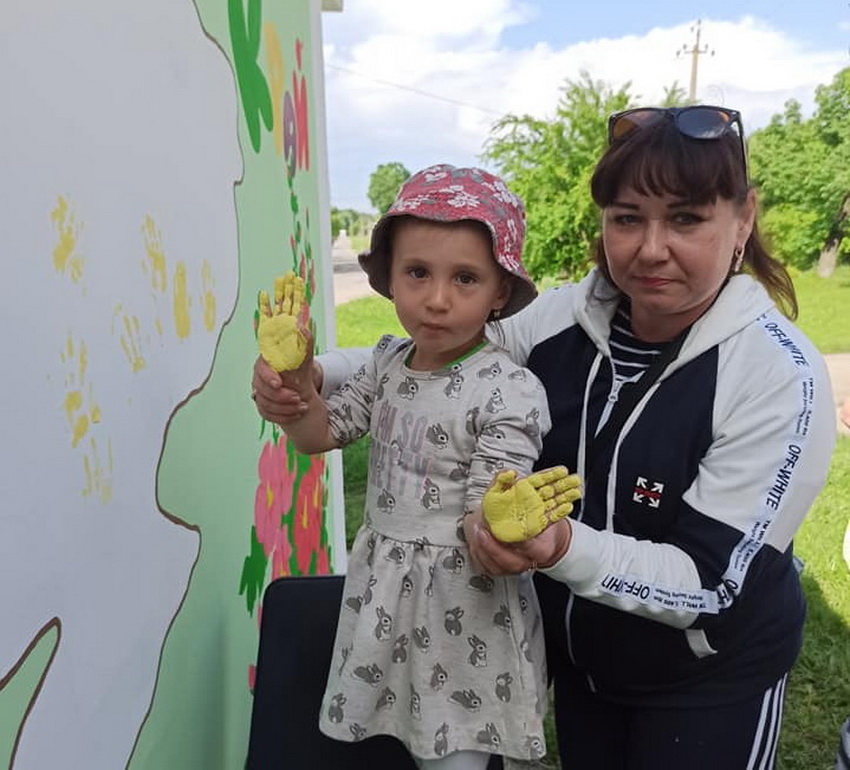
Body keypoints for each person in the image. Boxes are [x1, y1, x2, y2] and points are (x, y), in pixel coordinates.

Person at [255, 106, 838, 768]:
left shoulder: (775, 376)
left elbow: (710, 581)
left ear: (744, 218)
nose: (651, 248)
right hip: (582, 667)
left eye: (686, 219)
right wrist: (310, 375)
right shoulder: (570, 316)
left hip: (705, 682)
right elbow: (439, 357)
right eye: (627, 218)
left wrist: (560, 545)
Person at [254, 164, 580, 769]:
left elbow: (491, 514)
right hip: (386, 591)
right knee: (400, 736)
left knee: (454, 751)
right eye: (417, 273)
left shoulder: (508, 390)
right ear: (390, 278)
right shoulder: (385, 366)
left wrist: (506, 516)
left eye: (465, 278)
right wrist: (296, 385)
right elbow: (318, 434)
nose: (436, 298)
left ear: (500, 292)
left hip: (466, 607)